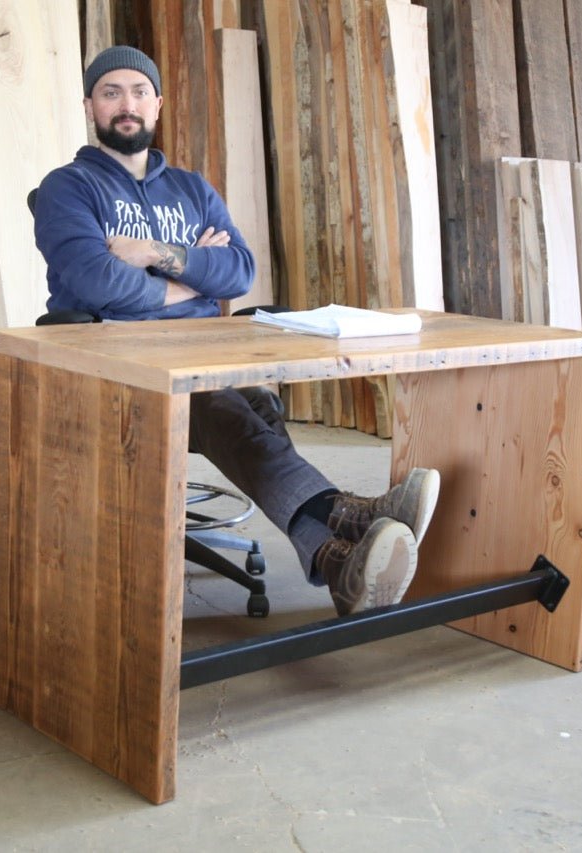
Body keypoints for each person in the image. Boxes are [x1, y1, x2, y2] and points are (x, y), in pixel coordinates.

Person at [32, 45, 440, 617]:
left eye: (138, 92)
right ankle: (348, 516)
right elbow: (95, 280)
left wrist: (151, 253)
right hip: (118, 362)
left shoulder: (193, 189)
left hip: (203, 350)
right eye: (111, 92)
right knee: (221, 405)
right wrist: (195, 276)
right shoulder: (67, 188)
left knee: (257, 405)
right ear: (90, 106)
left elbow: (239, 272)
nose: (126, 104)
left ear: (157, 104)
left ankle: (333, 557)